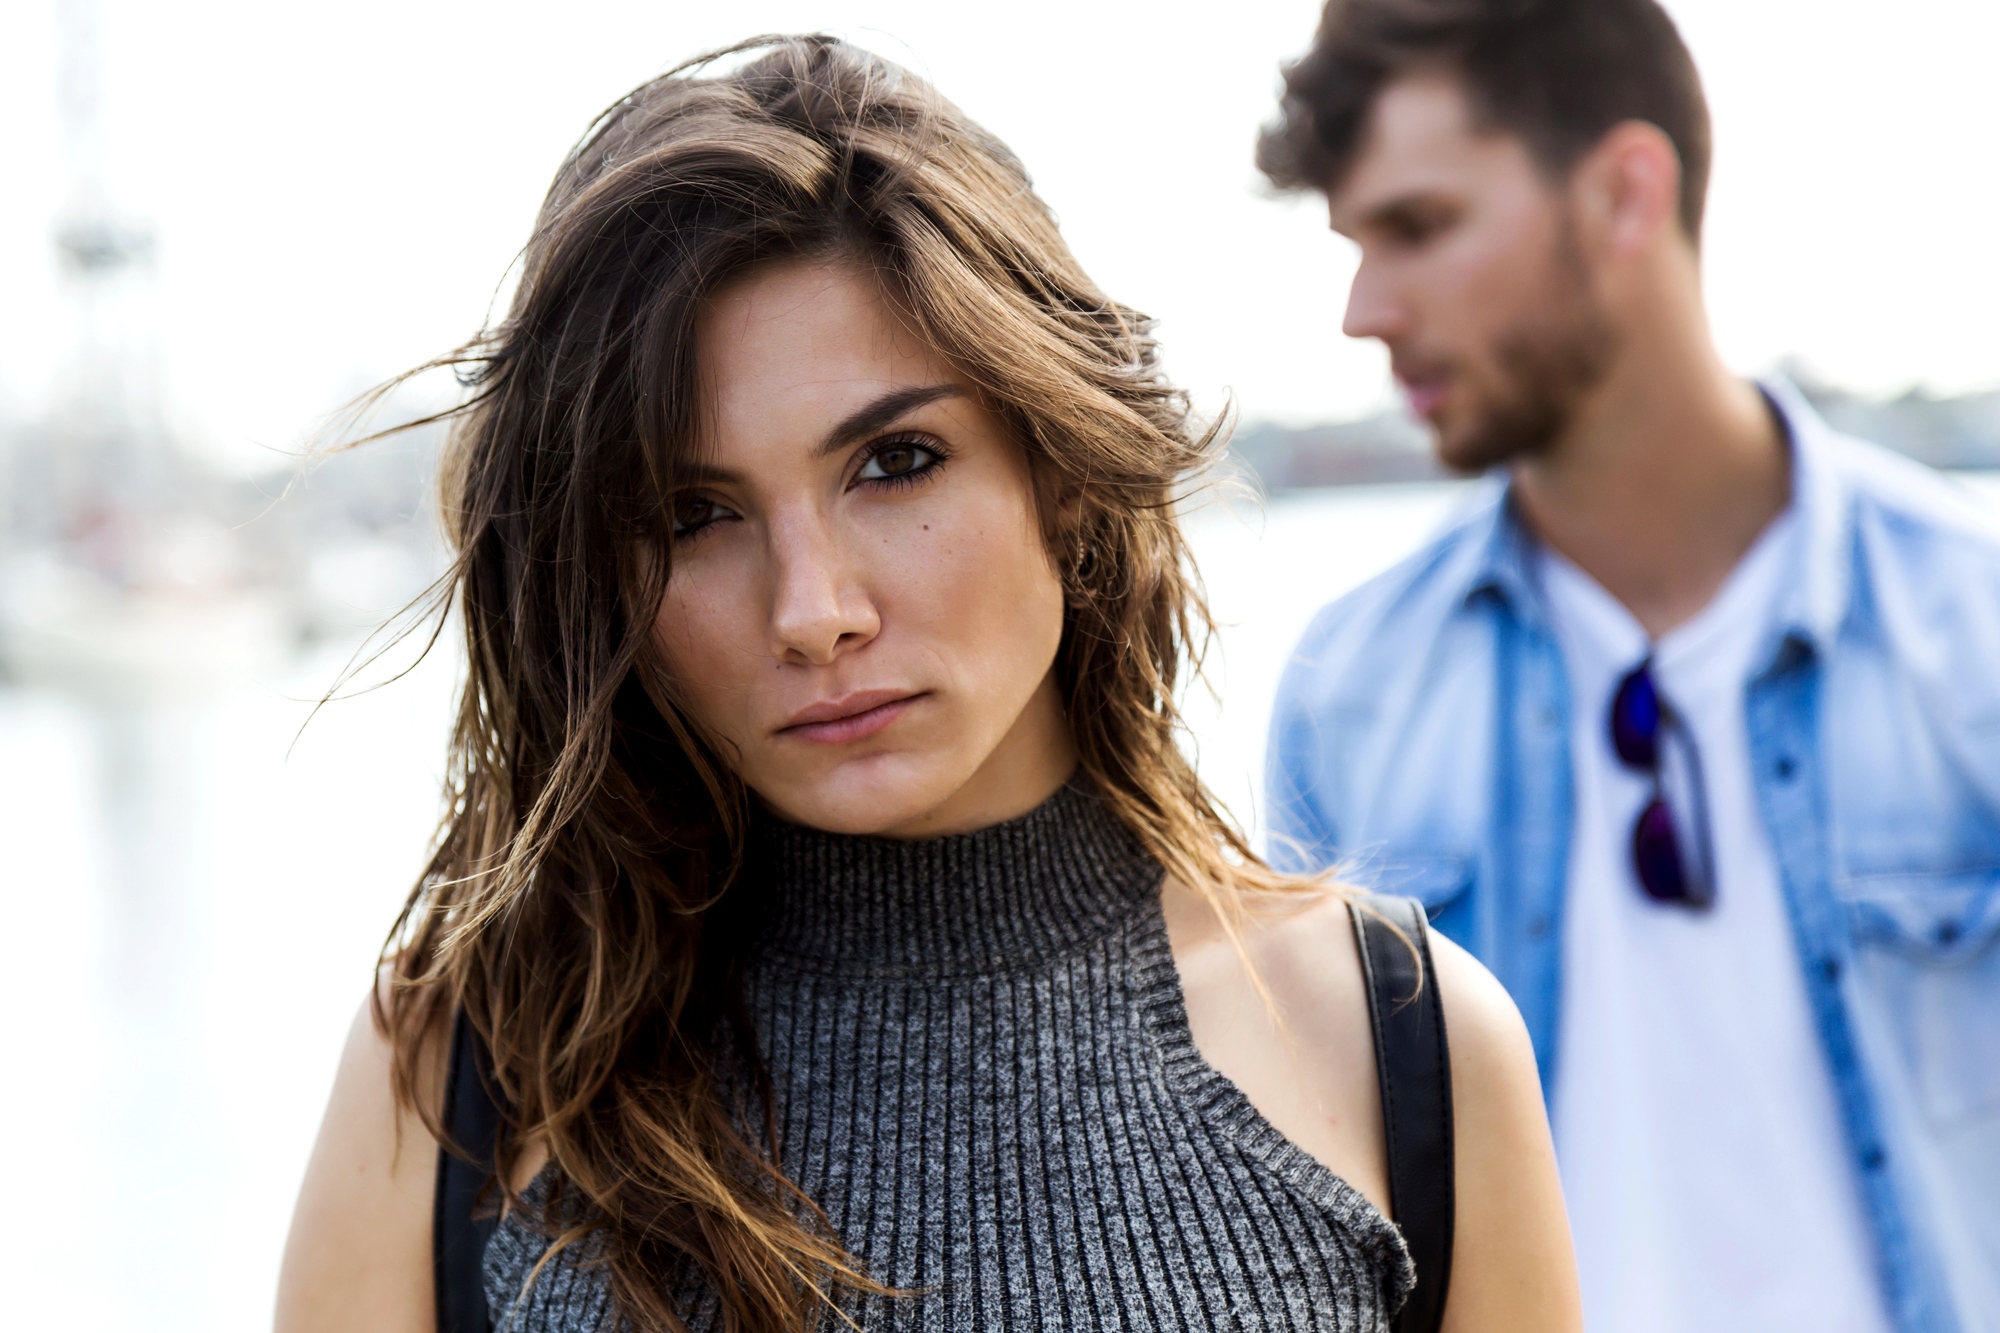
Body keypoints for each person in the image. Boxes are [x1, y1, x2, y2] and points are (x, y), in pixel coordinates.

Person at [272, 36, 1577, 1333]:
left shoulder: (1406, 1046)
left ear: (1060, 470)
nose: (814, 610)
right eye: (692, 512)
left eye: (894, 462)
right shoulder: (461, 1075)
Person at [1256, 1, 2000, 1330]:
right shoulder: (1346, 692)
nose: (1366, 310)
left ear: (1623, 192)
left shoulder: (1974, 628)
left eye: (1417, 226)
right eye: (1354, 245)